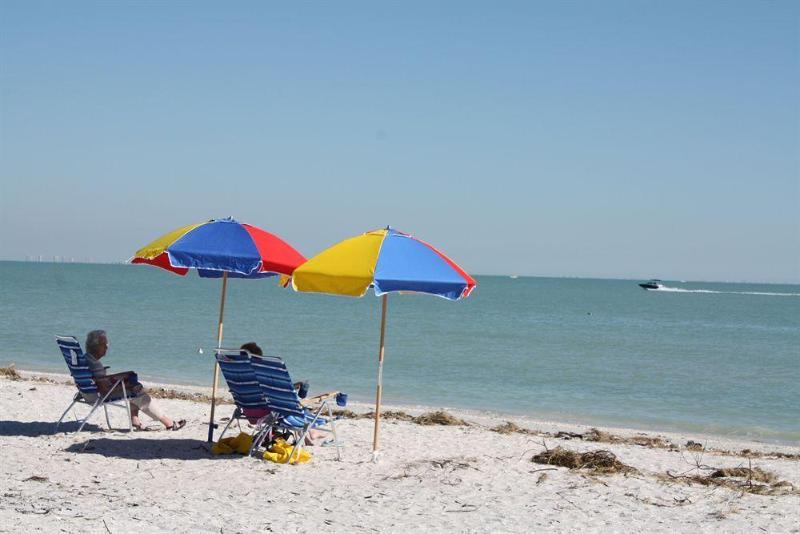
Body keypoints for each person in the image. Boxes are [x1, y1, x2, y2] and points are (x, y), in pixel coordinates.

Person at [85, 330, 186, 431]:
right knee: (138, 391)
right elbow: (104, 389)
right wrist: (124, 382)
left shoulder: (87, 359)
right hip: (100, 395)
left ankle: (135, 421)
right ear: (96, 346)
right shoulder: (95, 364)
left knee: (133, 387)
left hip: (88, 393)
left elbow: (100, 381)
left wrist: (123, 380)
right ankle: (169, 423)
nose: (107, 347)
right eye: (104, 344)